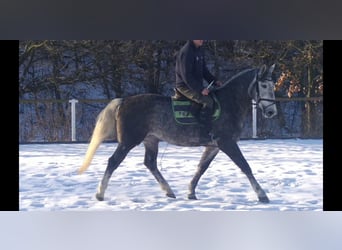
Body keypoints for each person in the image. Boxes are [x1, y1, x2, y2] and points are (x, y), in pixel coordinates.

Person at [175, 40, 222, 141]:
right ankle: (204, 133)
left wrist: (214, 81)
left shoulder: (199, 50)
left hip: (194, 85)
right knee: (208, 101)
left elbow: (204, 70)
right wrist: (200, 89)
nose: (202, 39)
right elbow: (186, 76)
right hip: (184, 86)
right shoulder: (186, 52)